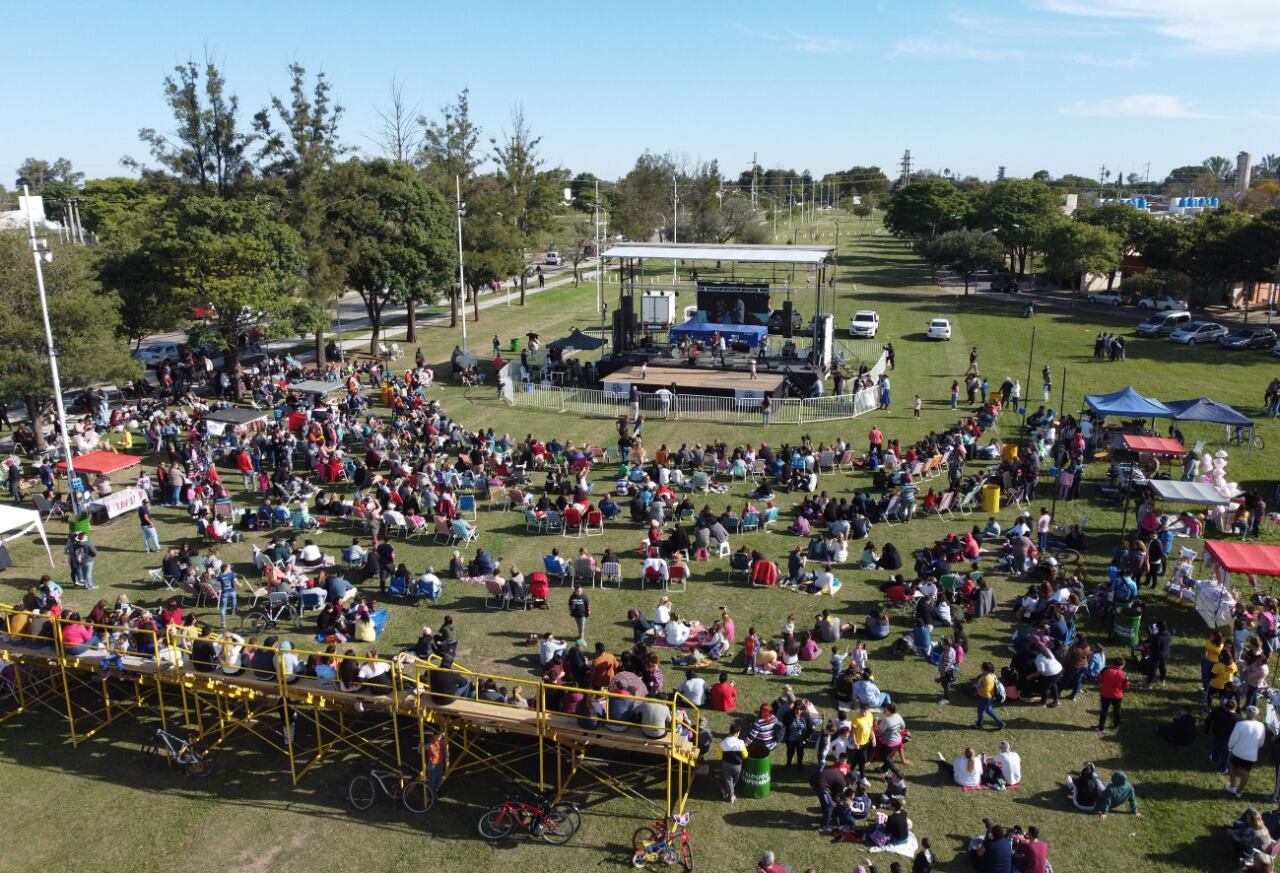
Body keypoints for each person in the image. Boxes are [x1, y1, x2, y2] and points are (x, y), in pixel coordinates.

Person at [1228, 705, 1267, 797]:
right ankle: (1239, 792)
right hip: (1251, 755)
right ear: (1257, 715)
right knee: (1245, 773)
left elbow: (1233, 739)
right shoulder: (1261, 726)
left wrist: (1229, 746)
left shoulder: (1240, 724)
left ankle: (1232, 786)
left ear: (1246, 713)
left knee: (1231, 766)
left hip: (1237, 752)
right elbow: (1261, 743)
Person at [1094, 656, 1129, 732]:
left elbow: (1099, 679)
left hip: (1105, 694)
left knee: (1104, 710)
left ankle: (1101, 727)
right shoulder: (1124, 674)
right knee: (1117, 710)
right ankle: (1116, 726)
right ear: (1121, 665)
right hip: (1117, 696)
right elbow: (1126, 686)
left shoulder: (1105, 669)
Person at [719, 723, 746, 803]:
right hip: (737, 766)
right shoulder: (741, 743)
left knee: (728, 779)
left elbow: (719, 756)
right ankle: (731, 794)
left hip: (726, 764)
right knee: (734, 779)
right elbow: (745, 755)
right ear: (738, 733)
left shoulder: (723, 743)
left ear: (729, 731)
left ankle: (728, 793)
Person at [974, 661, 1005, 729]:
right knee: (988, 710)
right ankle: (1000, 723)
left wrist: (978, 688)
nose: (981, 669)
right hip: (990, 697)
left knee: (980, 710)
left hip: (986, 697)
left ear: (986, 670)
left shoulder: (987, 679)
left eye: (982, 668)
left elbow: (986, 690)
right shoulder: (992, 675)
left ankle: (979, 725)